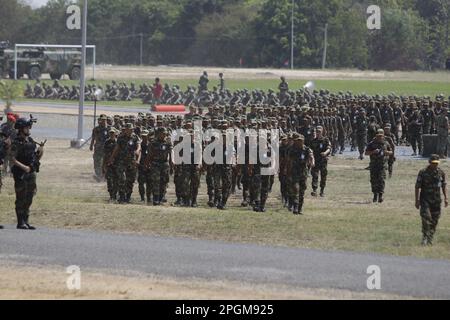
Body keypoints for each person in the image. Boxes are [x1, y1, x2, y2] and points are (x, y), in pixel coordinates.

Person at [10, 117, 45, 230]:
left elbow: (36, 157)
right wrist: (24, 168)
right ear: (20, 129)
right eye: (26, 127)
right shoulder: (16, 142)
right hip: (21, 174)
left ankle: (26, 220)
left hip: (31, 173)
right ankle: (20, 222)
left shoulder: (30, 141)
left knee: (29, 197)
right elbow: (12, 159)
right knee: (21, 197)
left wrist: (41, 151)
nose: (29, 129)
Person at [415, 155, 448, 246]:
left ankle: (430, 238)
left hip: (436, 200)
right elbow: (417, 187)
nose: (435, 165)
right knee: (426, 218)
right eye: (433, 163)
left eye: (436, 163)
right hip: (425, 200)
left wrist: (446, 198)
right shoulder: (423, 172)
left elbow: (443, 185)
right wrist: (417, 200)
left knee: (434, 220)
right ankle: (425, 237)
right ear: (429, 162)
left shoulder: (441, 173)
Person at [286, 133, 314, 215]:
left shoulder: (306, 149)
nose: (299, 142)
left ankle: (300, 209)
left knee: (302, 191)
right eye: (298, 141)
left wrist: (311, 162)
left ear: (303, 141)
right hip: (294, 172)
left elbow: (311, 157)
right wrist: (288, 171)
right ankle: (295, 207)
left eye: (300, 141)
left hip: (303, 173)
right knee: (295, 190)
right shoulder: (292, 149)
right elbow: (289, 161)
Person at [365, 129, 393, 203]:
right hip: (374, 165)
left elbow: (391, 152)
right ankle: (375, 195)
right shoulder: (371, 143)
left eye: (381, 136)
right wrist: (373, 152)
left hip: (382, 165)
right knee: (374, 180)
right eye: (378, 136)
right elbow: (366, 153)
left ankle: (380, 196)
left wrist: (386, 152)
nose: (380, 137)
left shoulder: (386, 143)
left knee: (381, 180)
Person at [309, 126, 331, 197]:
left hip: (323, 160)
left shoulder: (326, 140)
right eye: (317, 131)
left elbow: (329, 148)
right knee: (314, 175)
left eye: (319, 131)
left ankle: (322, 191)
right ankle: (314, 190)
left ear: (322, 132)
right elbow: (310, 149)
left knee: (323, 176)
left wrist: (325, 153)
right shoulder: (313, 141)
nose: (318, 133)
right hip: (316, 160)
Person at [90, 115, 109, 181]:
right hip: (98, 148)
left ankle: (104, 176)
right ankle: (98, 175)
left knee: (105, 162)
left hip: (106, 149)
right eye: (102, 120)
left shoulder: (109, 129)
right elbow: (93, 138)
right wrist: (91, 145)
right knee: (96, 161)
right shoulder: (96, 129)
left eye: (104, 120)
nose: (103, 121)